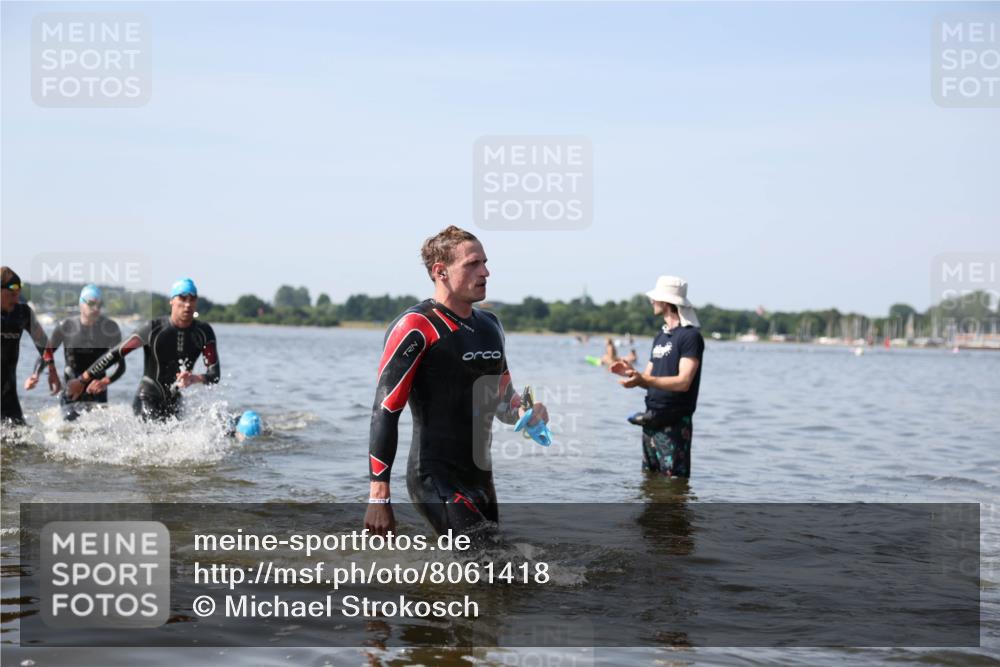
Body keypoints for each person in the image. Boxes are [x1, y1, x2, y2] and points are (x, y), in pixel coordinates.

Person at [364, 226, 549, 537]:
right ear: (441, 272)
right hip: (435, 478)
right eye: (472, 264)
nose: (485, 272)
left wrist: (525, 411)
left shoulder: (491, 326)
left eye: (485, 263)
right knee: (490, 568)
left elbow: (504, 399)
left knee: (497, 574)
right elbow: (385, 410)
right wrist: (378, 495)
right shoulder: (416, 326)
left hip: (481, 479)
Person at [67, 278, 220, 420]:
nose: (187, 304)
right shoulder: (153, 329)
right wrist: (82, 380)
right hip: (146, 399)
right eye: (182, 298)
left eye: (192, 299)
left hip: (175, 402)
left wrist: (195, 378)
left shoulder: (204, 332)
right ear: (172, 301)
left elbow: (214, 374)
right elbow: (116, 354)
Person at [612, 276, 704, 478]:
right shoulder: (660, 336)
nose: (652, 302)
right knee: (650, 482)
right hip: (651, 419)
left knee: (674, 484)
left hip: (675, 423)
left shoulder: (690, 337)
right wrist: (632, 373)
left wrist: (644, 380)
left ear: (666, 302)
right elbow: (649, 378)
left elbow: (683, 382)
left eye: (655, 298)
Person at [43, 284, 126, 421]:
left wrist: (105, 382)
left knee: (99, 433)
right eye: (92, 303)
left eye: (100, 304)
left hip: (96, 389)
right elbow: (47, 353)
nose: (96, 308)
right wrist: (40, 373)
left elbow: (121, 366)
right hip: (71, 389)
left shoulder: (111, 328)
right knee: (69, 429)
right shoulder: (66, 326)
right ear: (81, 304)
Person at [1, 267, 60, 425]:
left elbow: (44, 343)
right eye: (12, 295)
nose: (16, 299)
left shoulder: (22, 313)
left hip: (8, 397)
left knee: (22, 444)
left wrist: (52, 370)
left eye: (18, 294)